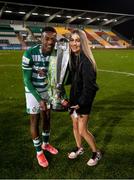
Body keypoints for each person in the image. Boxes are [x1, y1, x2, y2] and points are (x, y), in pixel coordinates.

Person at [22, 26, 60, 168]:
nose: (50, 42)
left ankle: (45, 144)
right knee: (35, 120)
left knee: (47, 117)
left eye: (53, 39)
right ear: (41, 39)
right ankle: (39, 152)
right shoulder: (29, 53)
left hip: (47, 89)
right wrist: (39, 99)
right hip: (32, 90)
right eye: (47, 38)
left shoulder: (55, 54)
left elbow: (56, 76)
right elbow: (26, 80)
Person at [68, 29, 101, 166]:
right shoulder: (74, 58)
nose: (74, 43)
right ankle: (79, 148)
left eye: (77, 40)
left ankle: (96, 153)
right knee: (75, 126)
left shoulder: (86, 62)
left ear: (83, 43)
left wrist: (80, 103)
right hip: (74, 99)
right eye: (72, 40)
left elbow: (91, 87)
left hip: (83, 102)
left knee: (82, 130)